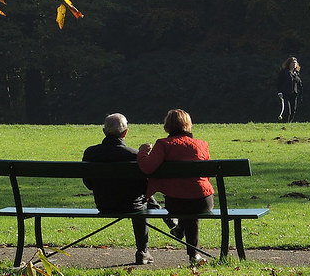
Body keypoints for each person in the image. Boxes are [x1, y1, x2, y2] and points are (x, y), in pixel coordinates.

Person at [82, 113, 174, 265]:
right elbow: (145, 185)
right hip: (132, 206)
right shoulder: (133, 155)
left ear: (104, 132)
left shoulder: (90, 153)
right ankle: (143, 251)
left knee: (140, 198)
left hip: (104, 204)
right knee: (141, 200)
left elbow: (88, 183)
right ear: (125, 132)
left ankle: (165, 217)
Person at [137, 109, 214, 265]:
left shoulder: (163, 145)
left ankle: (180, 231)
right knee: (192, 208)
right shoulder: (201, 144)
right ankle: (193, 253)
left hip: (176, 202)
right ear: (188, 125)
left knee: (185, 206)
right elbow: (207, 175)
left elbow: (147, 168)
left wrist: (143, 152)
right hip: (204, 201)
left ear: (167, 126)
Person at [276, 57, 302, 123]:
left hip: (294, 93)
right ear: (289, 64)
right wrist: (279, 92)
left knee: (293, 110)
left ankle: (289, 123)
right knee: (287, 110)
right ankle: (285, 123)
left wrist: (300, 93)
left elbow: (299, 83)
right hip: (285, 93)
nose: (294, 64)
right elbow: (279, 82)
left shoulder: (296, 73)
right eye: (292, 62)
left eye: (295, 63)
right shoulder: (284, 72)